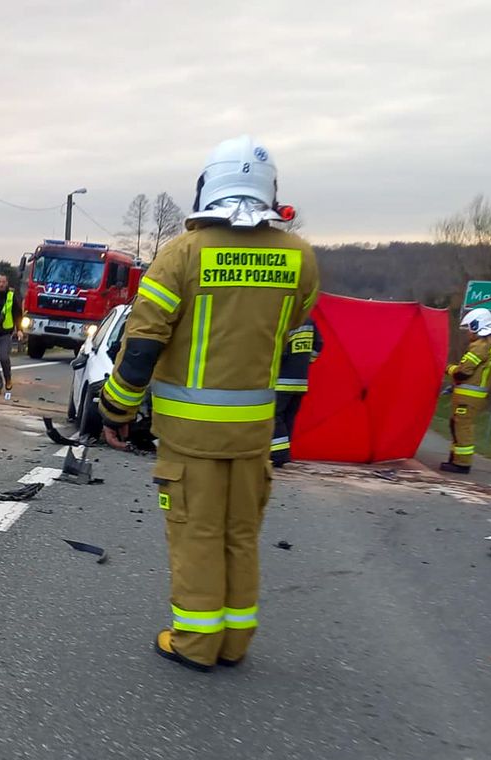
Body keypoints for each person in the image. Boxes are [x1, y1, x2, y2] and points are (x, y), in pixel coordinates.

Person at [99, 135, 319, 672]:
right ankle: (235, 641)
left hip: (190, 438)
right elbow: (290, 329)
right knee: (240, 535)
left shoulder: (183, 254)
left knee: (197, 534)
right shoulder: (299, 258)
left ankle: (196, 642)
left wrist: (116, 413)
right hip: (253, 434)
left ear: (208, 187)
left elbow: (142, 345)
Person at [442, 307, 491, 474]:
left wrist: (447, 368)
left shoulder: (480, 347)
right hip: (475, 393)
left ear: (477, 326)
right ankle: (456, 458)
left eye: (469, 328)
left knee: (462, 426)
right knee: (459, 424)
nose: (468, 332)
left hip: (468, 396)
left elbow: (464, 371)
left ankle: (461, 463)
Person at [270, 317, 321, 467]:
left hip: (281, 381)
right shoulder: (309, 321)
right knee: (288, 419)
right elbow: (318, 344)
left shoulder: (286, 320)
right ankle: (284, 453)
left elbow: (281, 351)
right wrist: (305, 362)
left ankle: (278, 456)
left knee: (273, 415)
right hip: (300, 382)